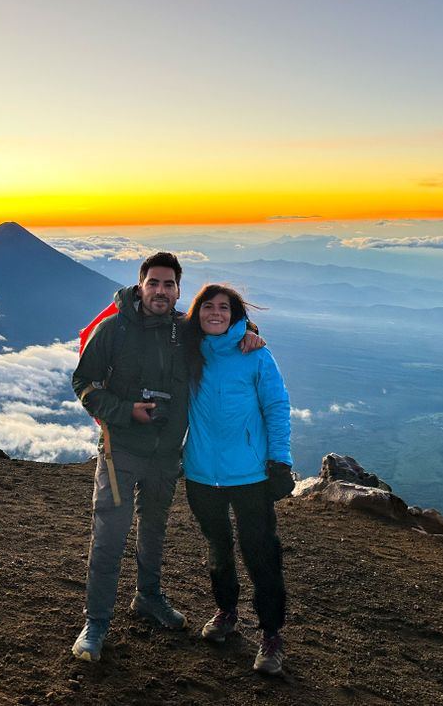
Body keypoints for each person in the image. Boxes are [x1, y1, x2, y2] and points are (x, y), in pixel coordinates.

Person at [71, 253, 262, 662]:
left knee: (154, 530)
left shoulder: (184, 330)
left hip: (167, 455)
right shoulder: (113, 331)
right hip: (121, 450)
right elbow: (83, 381)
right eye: (153, 282)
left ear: (178, 290)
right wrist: (126, 412)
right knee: (109, 537)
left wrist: (250, 332)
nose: (161, 291)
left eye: (169, 284)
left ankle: (149, 597)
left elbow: (221, 329)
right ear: (140, 285)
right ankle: (97, 622)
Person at [182, 284, 293, 675]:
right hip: (199, 473)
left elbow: (277, 407)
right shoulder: (188, 349)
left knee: (261, 554)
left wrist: (280, 461)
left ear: (236, 314)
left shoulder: (256, 355)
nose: (215, 313)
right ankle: (226, 612)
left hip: (250, 475)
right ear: (196, 313)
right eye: (207, 307)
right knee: (218, 549)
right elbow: (148, 323)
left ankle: (271, 634)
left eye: (224, 308)